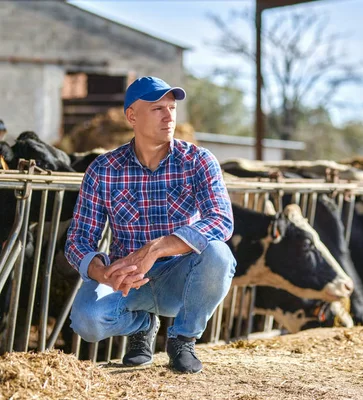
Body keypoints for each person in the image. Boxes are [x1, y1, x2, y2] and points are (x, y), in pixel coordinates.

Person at [65, 76, 236, 374]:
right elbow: (78, 239)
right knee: (87, 321)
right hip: (130, 281)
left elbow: (220, 219)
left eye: (172, 107)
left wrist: (158, 247)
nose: (169, 116)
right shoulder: (103, 170)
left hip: (182, 279)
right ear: (131, 116)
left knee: (219, 254)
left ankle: (182, 339)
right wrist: (102, 272)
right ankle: (142, 326)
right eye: (158, 108)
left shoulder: (198, 160)